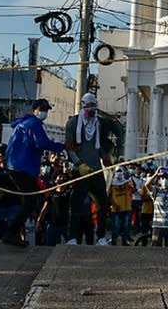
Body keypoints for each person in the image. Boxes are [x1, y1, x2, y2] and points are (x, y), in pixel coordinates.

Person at [63, 92, 123, 246]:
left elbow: (99, 148)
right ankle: (72, 238)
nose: (91, 109)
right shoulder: (73, 123)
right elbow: (69, 147)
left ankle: (101, 236)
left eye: (94, 106)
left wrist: (107, 157)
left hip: (96, 169)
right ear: (82, 105)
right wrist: (78, 164)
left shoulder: (98, 124)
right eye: (89, 106)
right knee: (75, 205)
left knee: (103, 204)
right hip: (81, 170)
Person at [5, 99, 64, 247]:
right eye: (44, 109)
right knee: (29, 203)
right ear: (36, 109)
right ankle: (10, 233)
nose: (46, 113)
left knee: (26, 202)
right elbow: (42, 143)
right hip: (23, 168)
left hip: (15, 166)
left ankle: (14, 233)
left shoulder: (22, 124)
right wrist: (62, 146)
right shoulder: (33, 124)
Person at [0, 144, 21, 245]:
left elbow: (18, 180)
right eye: (0, 154)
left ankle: (10, 240)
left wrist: (7, 167)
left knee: (12, 223)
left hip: (13, 200)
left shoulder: (14, 164)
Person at [143, 166, 168, 247]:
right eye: (163, 178)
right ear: (159, 181)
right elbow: (147, 184)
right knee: (156, 250)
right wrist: (156, 174)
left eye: (167, 178)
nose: (165, 180)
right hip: (158, 225)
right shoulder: (156, 191)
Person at [36, 174, 70, 246]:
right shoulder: (51, 193)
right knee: (49, 246)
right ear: (55, 180)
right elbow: (45, 208)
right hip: (53, 224)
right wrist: (39, 221)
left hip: (66, 224)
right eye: (60, 177)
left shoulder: (69, 193)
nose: (61, 178)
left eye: (64, 177)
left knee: (71, 245)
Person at [108, 168, 134, 245]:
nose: (119, 173)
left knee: (126, 227)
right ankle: (114, 241)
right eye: (117, 172)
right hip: (115, 209)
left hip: (126, 208)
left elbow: (133, 189)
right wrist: (114, 204)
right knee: (116, 227)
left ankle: (125, 241)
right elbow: (109, 196)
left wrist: (130, 178)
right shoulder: (111, 184)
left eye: (120, 172)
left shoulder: (127, 182)